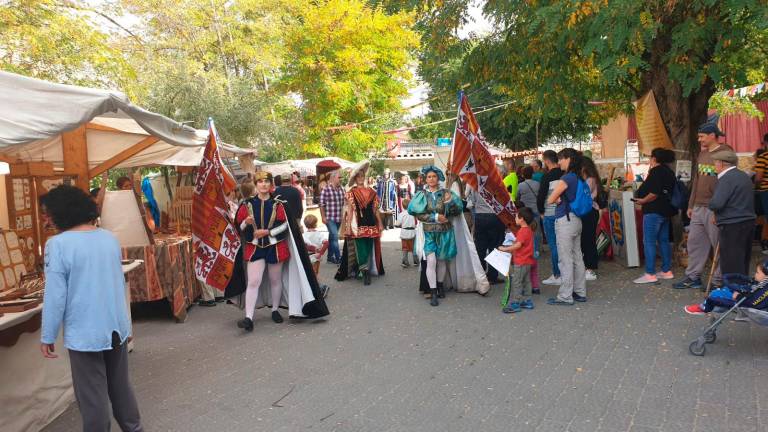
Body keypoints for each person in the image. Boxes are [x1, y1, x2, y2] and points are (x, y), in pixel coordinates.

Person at [39, 185, 143, 432]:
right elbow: (117, 286)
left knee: (92, 396)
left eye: (47, 212)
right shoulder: (108, 238)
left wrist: (48, 335)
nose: (46, 218)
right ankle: (134, 428)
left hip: (84, 331)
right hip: (114, 327)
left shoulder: (58, 245)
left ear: (60, 212)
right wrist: (125, 325)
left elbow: (55, 296)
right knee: (120, 388)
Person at [233, 171, 330, 332]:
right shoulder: (246, 204)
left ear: (271, 184)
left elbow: (285, 225)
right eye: (260, 181)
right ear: (256, 185)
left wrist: (268, 232)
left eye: (266, 181)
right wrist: (245, 222)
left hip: (275, 247)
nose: (263, 184)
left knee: (275, 280)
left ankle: (275, 310)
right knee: (253, 281)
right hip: (254, 247)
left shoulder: (278, 204)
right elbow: (239, 227)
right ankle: (248, 318)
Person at [673, 121, 733, 289]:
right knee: (694, 243)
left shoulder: (726, 152)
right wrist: (691, 204)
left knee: (718, 244)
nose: (699, 140)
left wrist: (718, 208)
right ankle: (693, 277)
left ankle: (718, 280)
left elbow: (728, 182)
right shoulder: (702, 154)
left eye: (702, 136)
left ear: (712, 135)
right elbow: (697, 180)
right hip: (699, 207)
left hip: (715, 208)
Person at [408, 165, 463, 306]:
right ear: (425, 179)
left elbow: (458, 209)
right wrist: (435, 217)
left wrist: (450, 202)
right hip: (429, 233)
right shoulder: (422, 195)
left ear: (438, 178)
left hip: (445, 232)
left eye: (434, 176)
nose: (431, 179)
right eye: (429, 177)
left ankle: (439, 286)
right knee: (431, 261)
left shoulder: (446, 192)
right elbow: (416, 213)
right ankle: (433, 293)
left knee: (442, 261)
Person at [546, 148, 587, 305]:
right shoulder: (579, 177)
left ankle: (565, 296)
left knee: (565, 259)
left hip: (565, 220)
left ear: (568, 159)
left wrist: (556, 199)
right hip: (577, 220)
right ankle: (580, 292)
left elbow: (550, 199)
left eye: (561, 159)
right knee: (577, 257)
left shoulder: (567, 178)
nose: (559, 162)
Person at [335, 160, 385, 285]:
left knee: (368, 248)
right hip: (357, 224)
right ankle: (366, 272)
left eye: (362, 176)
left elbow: (375, 209)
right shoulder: (351, 193)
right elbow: (350, 210)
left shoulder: (372, 193)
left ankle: (361, 268)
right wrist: (347, 227)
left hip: (371, 223)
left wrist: (380, 223)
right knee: (361, 248)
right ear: (355, 179)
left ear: (365, 177)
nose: (361, 178)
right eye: (358, 177)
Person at [632, 148, 677, 284]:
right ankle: (666, 271)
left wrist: (643, 200)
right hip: (666, 211)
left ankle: (650, 273)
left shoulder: (656, 171)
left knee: (649, 241)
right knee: (663, 241)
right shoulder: (669, 172)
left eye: (650, 157)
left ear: (654, 159)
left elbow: (655, 192)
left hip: (653, 211)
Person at [708, 148, 755, 277]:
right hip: (747, 222)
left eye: (715, 163)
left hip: (732, 224)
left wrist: (710, 204)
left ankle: (733, 291)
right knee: (742, 260)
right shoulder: (743, 176)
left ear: (722, 164)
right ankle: (741, 290)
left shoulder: (727, 178)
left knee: (731, 262)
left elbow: (717, 203)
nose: (714, 166)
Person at [685, 258, 768, 315]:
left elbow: (753, 302)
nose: (755, 274)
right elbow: (754, 290)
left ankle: (704, 308)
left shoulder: (765, 290)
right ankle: (718, 305)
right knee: (727, 288)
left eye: (757, 272)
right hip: (746, 295)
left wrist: (739, 295)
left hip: (742, 301)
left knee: (715, 294)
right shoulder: (763, 284)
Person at [499, 207, 537, 313]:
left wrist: (505, 249)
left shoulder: (522, 231)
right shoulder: (529, 230)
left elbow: (518, 245)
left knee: (517, 282)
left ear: (522, 219)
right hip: (528, 261)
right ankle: (528, 300)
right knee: (526, 281)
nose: (515, 218)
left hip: (520, 261)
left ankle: (516, 302)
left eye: (516, 216)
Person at [467, 184, 506, 284]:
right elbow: (504, 202)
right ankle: (492, 276)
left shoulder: (476, 185)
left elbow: (472, 202)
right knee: (495, 247)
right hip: (495, 216)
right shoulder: (498, 185)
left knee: (480, 247)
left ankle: (481, 275)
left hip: (480, 216)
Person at [537, 150, 563, 285]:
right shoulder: (565, 174)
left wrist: (541, 212)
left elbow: (541, 197)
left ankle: (557, 274)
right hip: (565, 214)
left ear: (546, 161)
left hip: (550, 214)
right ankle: (567, 273)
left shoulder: (546, 177)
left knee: (554, 245)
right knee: (566, 245)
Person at [580, 157, 601, 281]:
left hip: (589, 211)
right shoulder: (587, 179)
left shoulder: (590, 180)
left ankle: (590, 268)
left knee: (588, 240)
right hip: (588, 211)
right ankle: (588, 266)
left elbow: (586, 197)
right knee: (585, 239)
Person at [319, 170, 344, 264]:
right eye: (339, 177)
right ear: (333, 178)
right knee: (334, 236)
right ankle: (338, 257)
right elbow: (321, 204)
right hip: (330, 218)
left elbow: (344, 203)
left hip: (338, 218)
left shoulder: (342, 188)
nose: (340, 179)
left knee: (332, 237)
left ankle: (329, 257)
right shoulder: (326, 189)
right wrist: (323, 217)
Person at [753, 133, 768, 253]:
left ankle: (765, 242)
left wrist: (755, 187)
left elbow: (758, 178)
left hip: (765, 191)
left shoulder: (763, 157)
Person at [399, 197, 418, 267]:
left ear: (403, 206)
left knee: (405, 247)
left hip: (404, 232)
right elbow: (416, 223)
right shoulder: (413, 214)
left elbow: (398, 223)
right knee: (414, 248)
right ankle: (416, 261)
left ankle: (405, 261)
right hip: (412, 232)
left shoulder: (401, 214)